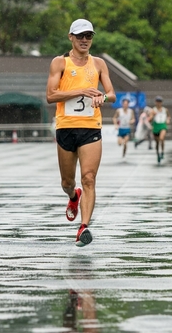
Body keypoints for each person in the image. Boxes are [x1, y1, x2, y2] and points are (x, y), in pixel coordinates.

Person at [46, 18, 116, 247]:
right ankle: (73, 197)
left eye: (89, 36)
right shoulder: (60, 63)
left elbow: (111, 94)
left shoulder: (99, 64)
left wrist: (101, 97)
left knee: (89, 178)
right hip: (66, 127)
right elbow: (51, 95)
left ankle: (84, 227)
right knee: (67, 181)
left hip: (91, 127)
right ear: (71, 37)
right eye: (80, 36)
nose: (85, 40)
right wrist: (80, 91)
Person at [150, 96, 170, 163]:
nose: (158, 103)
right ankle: (158, 154)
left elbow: (168, 116)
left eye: (160, 102)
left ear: (161, 103)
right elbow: (150, 119)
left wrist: (167, 120)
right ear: (155, 102)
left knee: (161, 138)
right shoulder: (153, 110)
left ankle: (162, 152)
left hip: (163, 125)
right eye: (157, 102)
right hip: (156, 126)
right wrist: (152, 115)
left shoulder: (165, 110)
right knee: (157, 142)